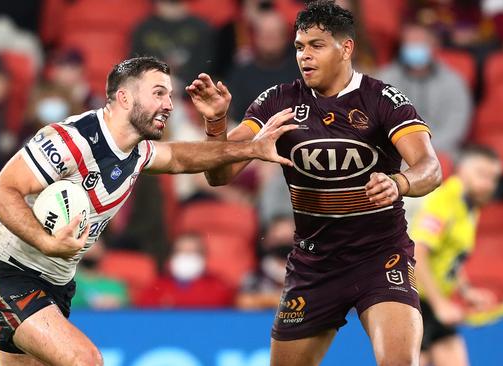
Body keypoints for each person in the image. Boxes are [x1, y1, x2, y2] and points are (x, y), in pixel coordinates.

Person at [0, 56, 296, 366]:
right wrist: (48, 242)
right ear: (123, 98)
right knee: (86, 360)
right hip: (5, 274)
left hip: (55, 285)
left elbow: (186, 158)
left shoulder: (138, 152)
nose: (169, 104)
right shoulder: (72, 140)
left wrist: (239, 140)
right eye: (158, 93)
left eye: (169, 94)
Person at [187, 1, 442, 365]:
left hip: (380, 257)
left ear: (346, 48)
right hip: (314, 264)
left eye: (316, 45)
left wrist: (399, 182)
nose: (304, 56)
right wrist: (216, 126)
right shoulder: (278, 101)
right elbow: (219, 175)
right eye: (299, 47)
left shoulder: (383, 100)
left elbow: (430, 168)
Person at [410, 145, 502, 366]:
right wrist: (440, 303)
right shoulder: (444, 201)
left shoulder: (470, 205)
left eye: (493, 178)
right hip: (413, 302)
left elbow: (451, 257)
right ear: (462, 170)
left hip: (430, 303)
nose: (488, 184)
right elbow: (417, 253)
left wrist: (467, 291)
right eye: (482, 174)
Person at [377, 23, 472, 158]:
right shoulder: (384, 80)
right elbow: (379, 123)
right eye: (409, 43)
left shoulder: (453, 81)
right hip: (397, 152)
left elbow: (456, 125)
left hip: (443, 152)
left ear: (434, 46)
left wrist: (427, 149)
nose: (414, 48)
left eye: (420, 43)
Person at [135, 233, 235, 308]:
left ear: (204, 257)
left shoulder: (219, 287)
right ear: (172, 257)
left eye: (192, 252)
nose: (186, 256)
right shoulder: (156, 287)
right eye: (181, 252)